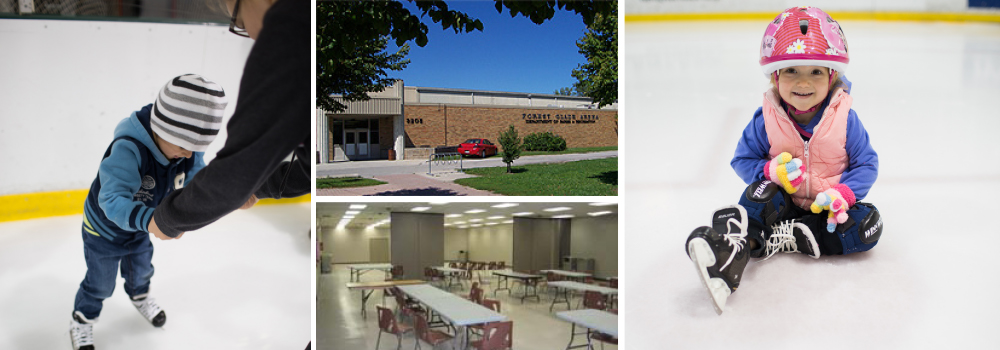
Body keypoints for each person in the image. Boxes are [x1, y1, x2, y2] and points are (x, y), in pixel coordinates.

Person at [684, 6, 883, 315]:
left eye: (815, 71)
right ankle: (737, 250)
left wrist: (843, 195)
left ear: (832, 77)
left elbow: (866, 164)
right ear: (775, 76)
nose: (803, 83)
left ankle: (797, 236)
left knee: (869, 225)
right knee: (758, 194)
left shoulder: (845, 119)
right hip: (783, 202)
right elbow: (742, 159)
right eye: (792, 70)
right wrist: (769, 171)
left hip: (825, 210)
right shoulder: (766, 119)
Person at [69, 75, 246, 349]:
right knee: (100, 284)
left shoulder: (185, 148)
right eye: (183, 147)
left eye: (195, 149)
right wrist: (151, 220)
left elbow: (196, 180)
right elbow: (112, 200)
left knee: (141, 271)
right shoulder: (128, 149)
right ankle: (82, 319)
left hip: (139, 228)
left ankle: (139, 296)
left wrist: (228, 194)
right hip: (103, 231)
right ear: (161, 128)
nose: (189, 155)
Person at [147, 0, 309, 240]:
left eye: (239, 21)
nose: (252, 36)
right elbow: (307, 172)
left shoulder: (285, 31)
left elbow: (237, 171)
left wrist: (168, 219)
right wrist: (258, 186)